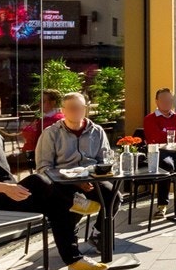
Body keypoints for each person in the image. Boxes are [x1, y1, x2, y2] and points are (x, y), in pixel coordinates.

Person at [0, 90, 106, 270]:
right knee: (39, 179)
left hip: (11, 196)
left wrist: (11, 189)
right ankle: (75, 202)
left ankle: (74, 262)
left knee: (57, 206)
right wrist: (7, 188)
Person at [35, 93, 117, 238]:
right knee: (71, 203)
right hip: (63, 183)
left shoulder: (97, 131)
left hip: (92, 179)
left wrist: (91, 177)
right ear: (63, 110)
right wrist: (75, 180)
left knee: (114, 197)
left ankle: (99, 234)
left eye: (80, 107)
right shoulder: (51, 134)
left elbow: (104, 161)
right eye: (72, 108)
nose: (76, 111)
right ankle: (70, 239)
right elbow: (44, 169)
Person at [142, 88, 176, 216]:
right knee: (165, 166)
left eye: (169, 100)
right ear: (157, 102)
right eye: (164, 100)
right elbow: (156, 137)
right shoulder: (150, 119)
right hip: (161, 153)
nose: (167, 102)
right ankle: (162, 205)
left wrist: (168, 131)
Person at [22, 90, 63, 156]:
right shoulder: (47, 118)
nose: (39, 104)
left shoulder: (54, 120)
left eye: (43, 101)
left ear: (53, 103)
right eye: (39, 101)